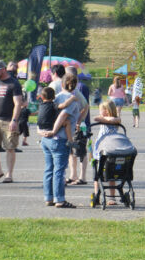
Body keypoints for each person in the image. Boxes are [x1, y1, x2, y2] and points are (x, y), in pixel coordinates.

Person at [37, 79, 81, 209]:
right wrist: (54, 131)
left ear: (62, 85)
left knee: (49, 169)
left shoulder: (56, 98)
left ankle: (48, 197)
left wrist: (40, 131)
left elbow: (42, 117)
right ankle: (60, 200)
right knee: (59, 171)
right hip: (58, 139)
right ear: (75, 85)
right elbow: (63, 116)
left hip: (45, 139)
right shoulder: (70, 98)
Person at [91, 100, 121, 206]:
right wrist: (104, 118)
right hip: (100, 150)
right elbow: (96, 118)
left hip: (111, 150)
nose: (100, 112)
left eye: (101, 110)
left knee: (111, 174)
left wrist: (107, 119)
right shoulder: (101, 119)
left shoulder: (116, 119)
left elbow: (115, 119)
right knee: (97, 174)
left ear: (107, 111)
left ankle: (112, 197)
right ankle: (96, 194)